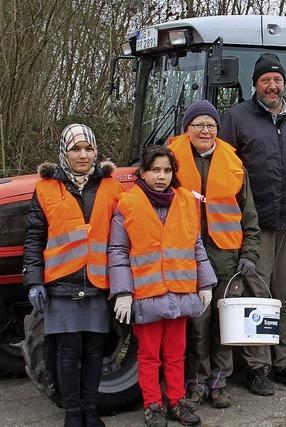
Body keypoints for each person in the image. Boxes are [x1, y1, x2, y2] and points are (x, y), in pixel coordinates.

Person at [219, 53, 286, 394]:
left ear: (284, 83)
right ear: (255, 84)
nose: (272, 86)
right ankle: (258, 367)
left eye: (277, 80)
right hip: (254, 225)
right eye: (265, 80)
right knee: (258, 296)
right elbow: (224, 169)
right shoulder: (237, 118)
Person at [107, 146, 217, 427]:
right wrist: (123, 292)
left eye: (167, 170)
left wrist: (205, 283)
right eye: (155, 170)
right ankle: (153, 405)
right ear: (143, 172)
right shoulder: (128, 203)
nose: (162, 176)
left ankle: (177, 401)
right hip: (148, 295)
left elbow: (195, 245)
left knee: (176, 354)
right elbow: (118, 251)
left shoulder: (184, 201)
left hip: (179, 293)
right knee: (148, 355)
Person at [23, 123, 123, 427]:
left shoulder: (110, 186)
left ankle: (91, 411)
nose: (83, 155)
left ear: (96, 151)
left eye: (88, 148)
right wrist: (34, 280)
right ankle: (72, 413)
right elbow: (34, 237)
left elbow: (121, 236)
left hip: (97, 281)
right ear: (64, 152)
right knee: (66, 351)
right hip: (60, 282)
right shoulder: (45, 188)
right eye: (75, 149)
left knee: (94, 349)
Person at [167, 100, 260, 408]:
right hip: (186, 256)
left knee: (224, 323)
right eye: (198, 124)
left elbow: (249, 216)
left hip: (226, 257)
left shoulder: (235, 165)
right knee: (196, 324)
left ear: (218, 130)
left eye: (210, 125)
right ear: (187, 129)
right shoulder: (170, 163)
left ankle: (219, 382)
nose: (204, 130)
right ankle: (196, 383)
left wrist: (249, 253)